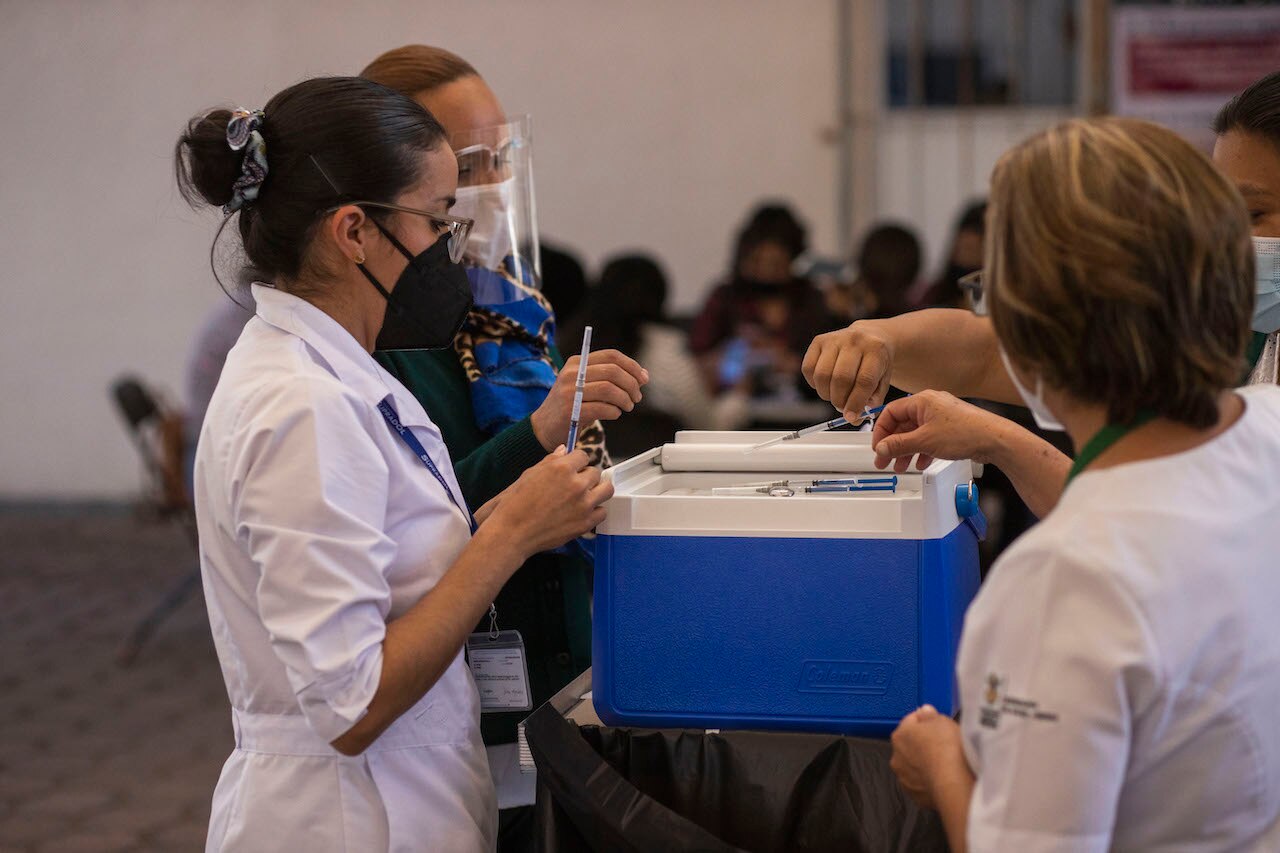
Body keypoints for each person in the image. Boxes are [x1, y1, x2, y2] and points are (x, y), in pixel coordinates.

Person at [176, 77, 613, 852]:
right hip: (343, 818)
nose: (453, 246)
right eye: (438, 219)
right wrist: (509, 531)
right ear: (353, 231)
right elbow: (352, 702)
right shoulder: (301, 406)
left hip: (396, 802)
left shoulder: (342, 370)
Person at [879, 117, 1280, 850]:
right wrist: (999, 437)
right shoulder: (1265, 430)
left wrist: (940, 763)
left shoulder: (1060, 580)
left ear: (1027, 326)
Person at [360, 45, 648, 847]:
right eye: (470, 160)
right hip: (454, 676)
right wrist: (538, 432)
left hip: (561, 662)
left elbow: (562, 476)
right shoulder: (381, 333)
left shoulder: (511, 309)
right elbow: (422, 516)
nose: (491, 181)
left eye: (502, 155)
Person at [801, 70, 1280, 520]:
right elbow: (984, 352)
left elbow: (1165, 537)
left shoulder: (1051, 573)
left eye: (1254, 214)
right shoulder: (1240, 354)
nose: (1230, 242)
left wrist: (999, 440)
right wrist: (883, 338)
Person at [582, 253, 749, 432]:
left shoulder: (577, 346)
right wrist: (739, 395)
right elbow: (708, 426)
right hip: (657, 457)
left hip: (588, 455)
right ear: (660, 296)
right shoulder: (666, 351)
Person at [689, 203, 838, 399]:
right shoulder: (725, 297)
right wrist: (734, 356)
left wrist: (788, 360)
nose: (766, 273)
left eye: (776, 264)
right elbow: (694, 361)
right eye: (757, 262)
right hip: (733, 409)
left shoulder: (812, 300)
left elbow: (832, 362)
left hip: (804, 407)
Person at [918, 200, 986, 309]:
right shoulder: (936, 292)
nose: (968, 238)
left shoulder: (1003, 296)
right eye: (966, 230)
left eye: (979, 231)